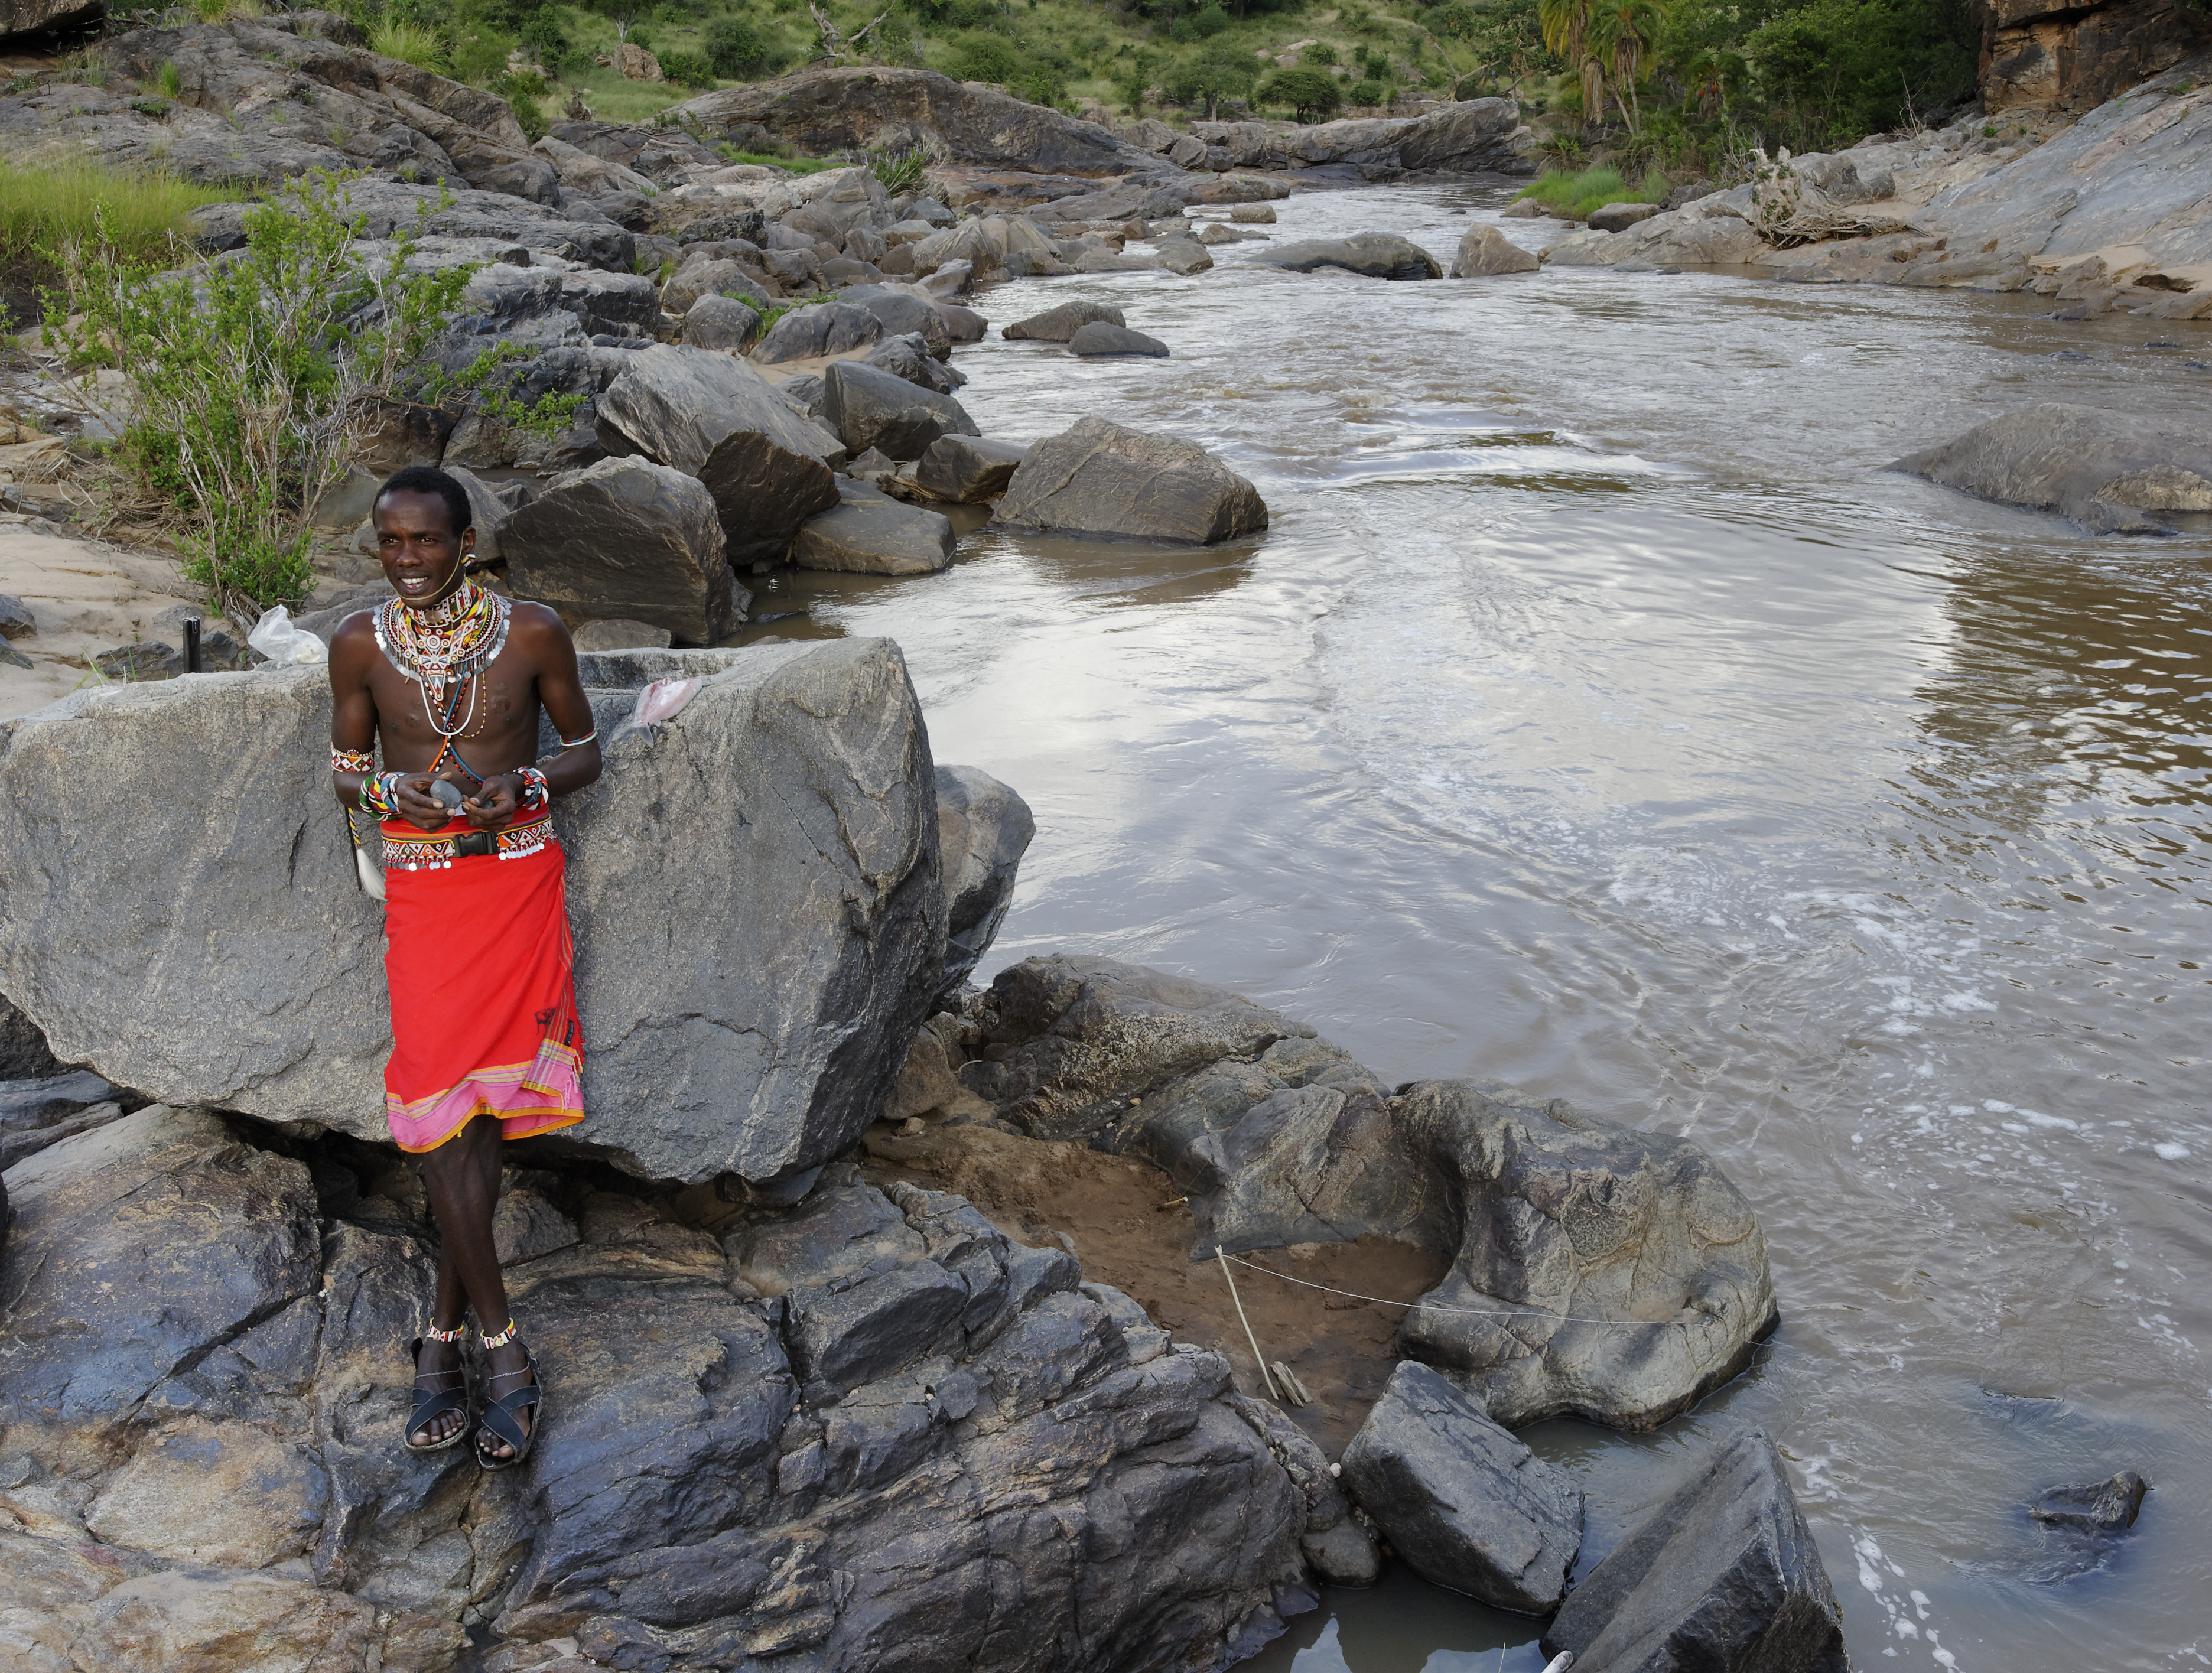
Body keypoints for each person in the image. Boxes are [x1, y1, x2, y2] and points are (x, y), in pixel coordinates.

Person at [327, 464, 602, 1469]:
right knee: (439, 1104)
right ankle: (502, 1344)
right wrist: (397, 788)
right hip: (426, 894)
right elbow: (349, 778)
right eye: (390, 543)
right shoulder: (359, 643)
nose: (407, 561)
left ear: (467, 541)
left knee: (479, 1116)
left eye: (426, 543)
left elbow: (586, 749)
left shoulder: (531, 633)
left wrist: (523, 779)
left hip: (520, 886)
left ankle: (440, 1348)